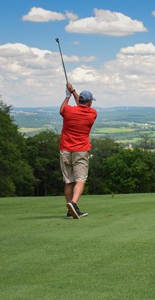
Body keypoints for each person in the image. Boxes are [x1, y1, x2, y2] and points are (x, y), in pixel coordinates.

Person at [59, 82, 97, 219]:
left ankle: (70, 211)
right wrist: (73, 92)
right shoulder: (92, 114)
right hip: (80, 150)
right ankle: (73, 204)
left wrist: (68, 95)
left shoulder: (69, 111)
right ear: (90, 102)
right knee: (80, 179)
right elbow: (82, 106)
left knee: (69, 181)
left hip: (65, 149)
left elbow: (62, 109)